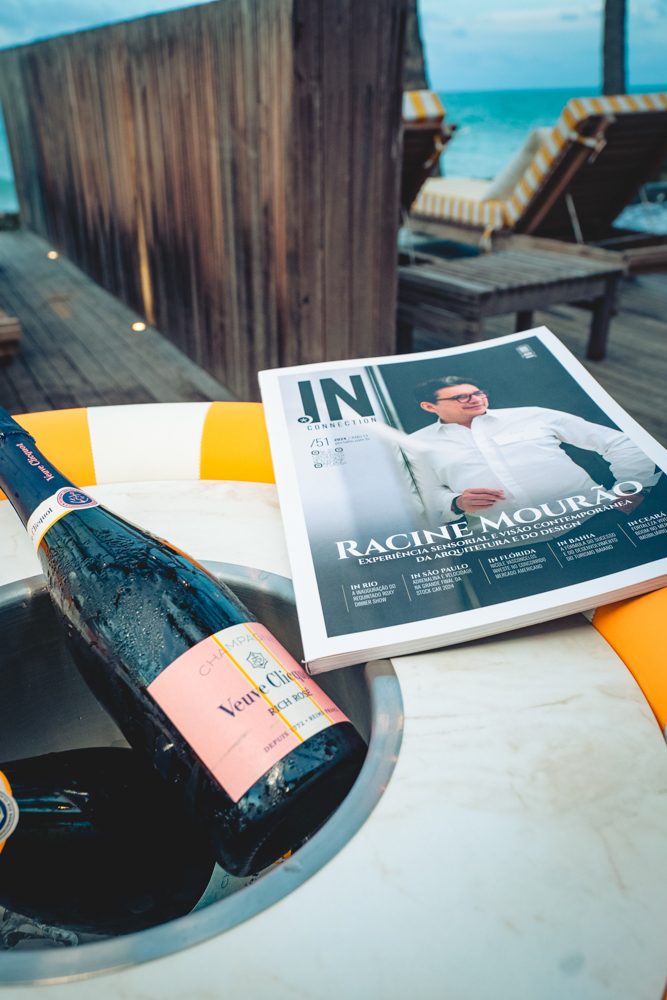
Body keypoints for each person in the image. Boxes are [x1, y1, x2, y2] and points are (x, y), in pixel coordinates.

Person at [401, 375, 659, 531]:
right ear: (429, 406)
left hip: (594, 521)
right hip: (505, 545)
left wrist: (631, 489)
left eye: (478, 393)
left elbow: (618, 442)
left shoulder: (531, 415)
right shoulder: (414, 444)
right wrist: (455, 503)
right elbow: (415, 496)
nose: (476, 399)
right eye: (461, 397)